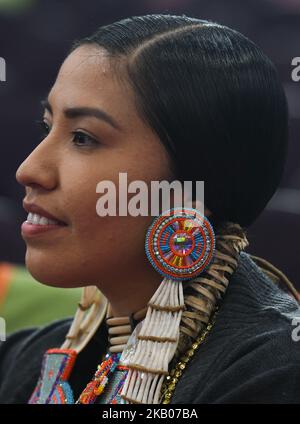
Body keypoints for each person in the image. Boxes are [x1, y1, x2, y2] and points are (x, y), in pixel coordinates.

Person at [0, 13, 299, 404]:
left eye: (83, 138)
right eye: (47, 126)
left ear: (193, 187)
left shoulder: (274, 374)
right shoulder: (29, 361)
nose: (29, 170)